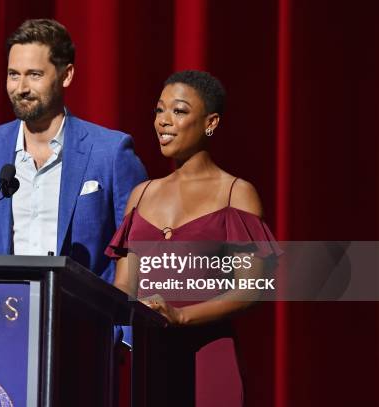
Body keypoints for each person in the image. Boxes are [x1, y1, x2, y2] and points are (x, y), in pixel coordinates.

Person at [106, 70, 282, 406]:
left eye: (180, 111)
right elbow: (124, 288)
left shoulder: (236, 193)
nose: (164, 121)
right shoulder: (141, 195)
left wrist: (181, 316)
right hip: (150, 363)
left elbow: (251, 290)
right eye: (159, 110)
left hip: (209, 362)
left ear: (211, 123)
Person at [0, 19, 147, 282]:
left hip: (82, 318)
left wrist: (119, 322)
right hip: (4, 315)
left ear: (67, 75)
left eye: (34, 75)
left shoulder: (111, 152)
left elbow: (136, 254)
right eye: (14, 74)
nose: (21, 88)